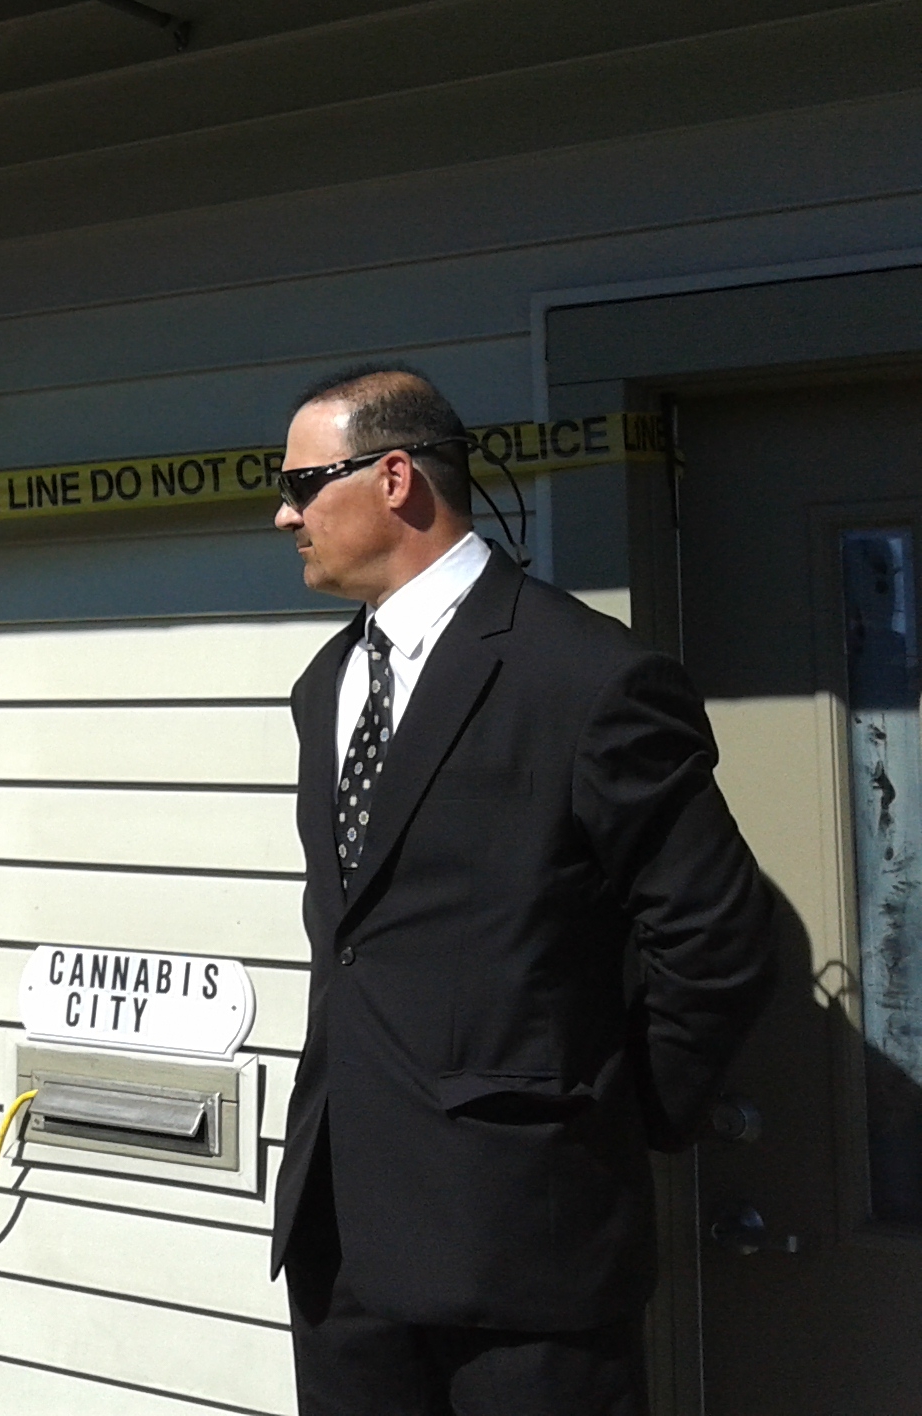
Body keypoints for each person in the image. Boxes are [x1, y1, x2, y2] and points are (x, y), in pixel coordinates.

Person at [268, 365, 775, 1416]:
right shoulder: (326, 684)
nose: (285, 515)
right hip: (343, 1238)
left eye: (304, 483)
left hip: (523, 1249)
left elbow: (716, 935)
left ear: (395, 477)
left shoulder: (587, 676)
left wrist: (606, 1119)